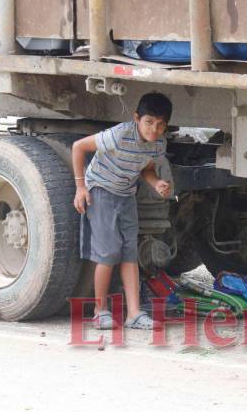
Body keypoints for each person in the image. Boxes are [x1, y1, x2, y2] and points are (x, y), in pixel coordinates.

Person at [72, 92, 173, 330]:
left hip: (126, 194)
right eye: (149, 122)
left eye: (160, 125)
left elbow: (146, 168)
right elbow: (78, 147)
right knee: (108, 254)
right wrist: (80, 187)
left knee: (129, 254)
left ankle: (134, 314)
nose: (154, 129)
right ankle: (100, 311)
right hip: (101, 191)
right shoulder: (118, 135)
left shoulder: (158, 143)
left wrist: (156, 182)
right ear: (137, 118)